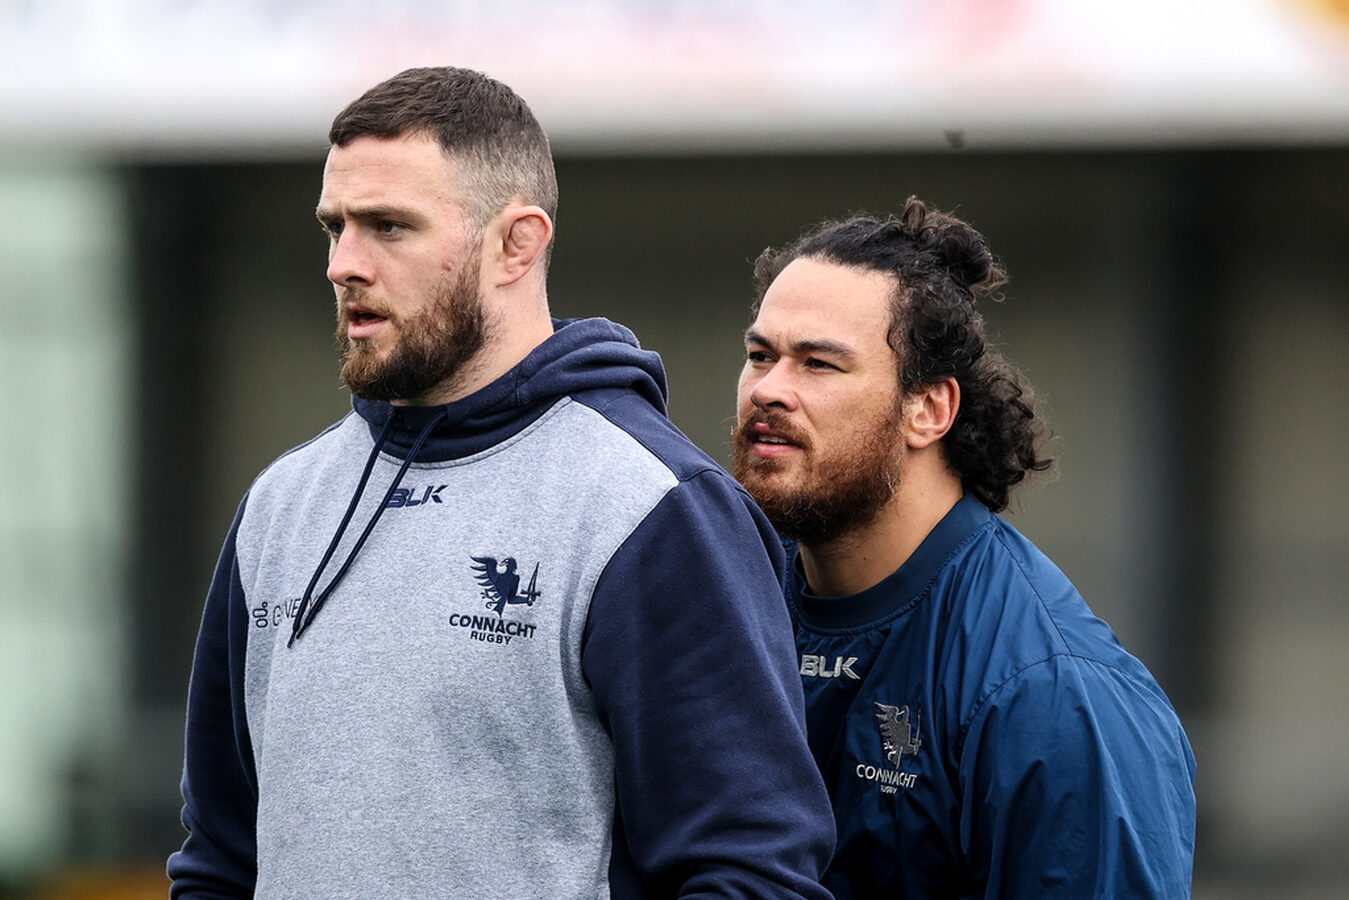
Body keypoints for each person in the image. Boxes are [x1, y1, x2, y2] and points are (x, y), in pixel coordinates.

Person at [167, 66, 835, 899]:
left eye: (388, 226)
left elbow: (750, 868)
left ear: (516, 243)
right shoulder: (281, 505)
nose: (343, 264)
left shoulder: (650, 508)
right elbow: (220, 856)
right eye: (334, 227)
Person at [732, 198, 1196, 897]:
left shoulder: (1050, 695)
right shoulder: (723, 605)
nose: (769, 390)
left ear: (928, 410)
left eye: (818, 364)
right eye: (760, 356)